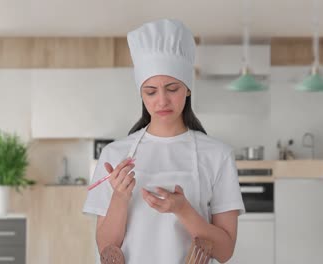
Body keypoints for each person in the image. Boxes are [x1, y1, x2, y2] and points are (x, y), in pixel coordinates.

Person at [82, 19, 244, 264]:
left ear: (188, 88)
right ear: (141, 92)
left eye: (172, 88)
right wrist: (119, 197)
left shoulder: (217, 155)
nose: (162, 101)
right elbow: (106, 248)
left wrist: (183, 210)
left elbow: (224, 251)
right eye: (151, 91)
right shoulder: (115, 155)